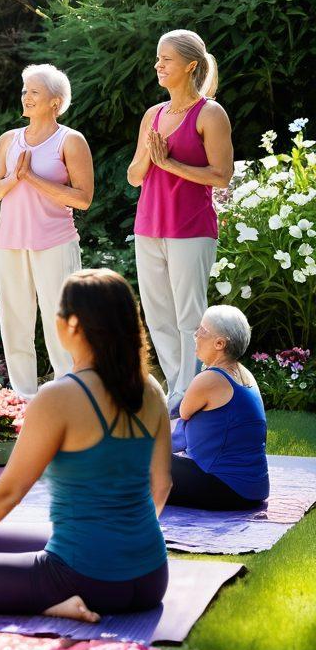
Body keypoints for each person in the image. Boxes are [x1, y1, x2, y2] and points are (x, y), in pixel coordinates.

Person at [0, 269, 172, 624]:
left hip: (85, 579)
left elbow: (10, 491)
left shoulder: (59, 397)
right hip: (152, 577)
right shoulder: (151, 390)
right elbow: (162, 485)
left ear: (74, 324)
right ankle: (51, 590)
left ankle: (54, 603)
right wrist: (125, 545)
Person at [128, 29, 233, 415]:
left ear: (190, 65)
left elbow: (222, 175)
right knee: (157, 314)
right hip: (148, 226)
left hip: (190, 227)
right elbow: (134, 175)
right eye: (158, 57)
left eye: (166, 59)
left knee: (190, 315)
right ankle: (177, 391)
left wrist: (171, 164)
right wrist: (150, 156)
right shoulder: (152, 115)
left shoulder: (210, 113)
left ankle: (191, 392)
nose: (158, 64)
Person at [0, 64, 94, 398]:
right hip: (9, 243)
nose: (25, 97)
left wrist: (32, 178)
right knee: (14, 324)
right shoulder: (8, 141)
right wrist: (15, 178)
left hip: (55, 242)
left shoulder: (70, 141)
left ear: (55, 103)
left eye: (34, 92)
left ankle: (69, 395)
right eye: (24, 91)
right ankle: (23, 398)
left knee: (61, 321)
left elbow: (83, 198)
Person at [169, 305, 269, 510]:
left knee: (135, 459)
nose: (195, 334)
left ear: (219, 343)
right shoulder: (245, 373)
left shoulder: (210, 379)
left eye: (202, 331)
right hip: (252, 488)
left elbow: (183, 413)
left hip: (224, 487)